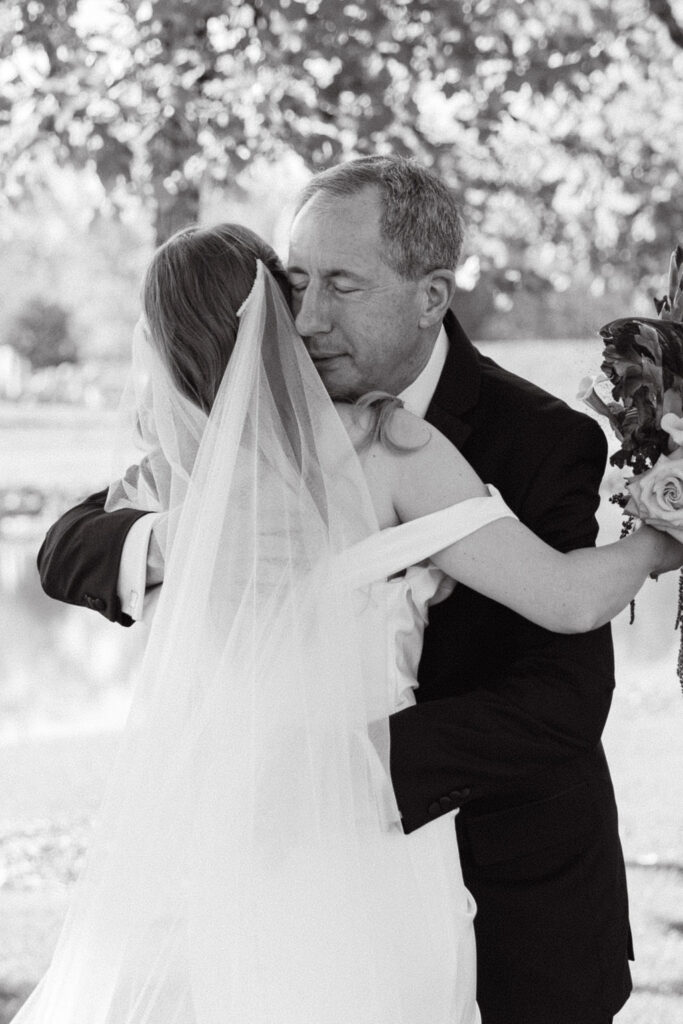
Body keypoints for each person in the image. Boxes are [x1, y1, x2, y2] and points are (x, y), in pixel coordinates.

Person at [36, 159, 666, 1024]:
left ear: (431, 296)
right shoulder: (348, 451)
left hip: (476, 871)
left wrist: (332, 771)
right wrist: (173, 544)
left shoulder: (537, 437)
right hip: (305, 861)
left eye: (340, 285)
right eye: (294, 285)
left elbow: (562, 699)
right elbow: (65, 548)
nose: (309, 317)